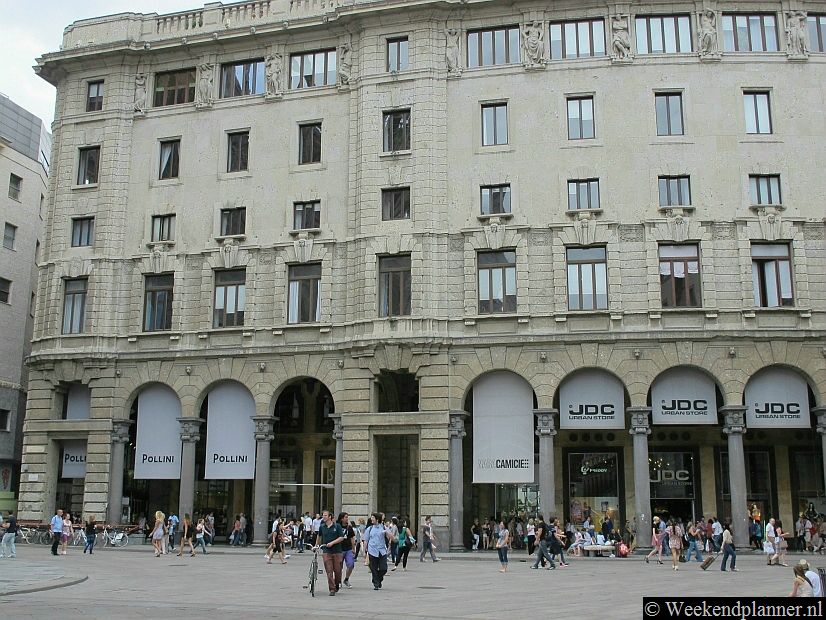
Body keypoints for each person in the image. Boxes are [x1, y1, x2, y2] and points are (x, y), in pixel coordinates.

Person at [316, 509, 345, 596]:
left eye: (325, 515)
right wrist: (316, 545)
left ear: (330, 517)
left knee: (338, 570)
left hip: (337, 551)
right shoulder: (322, 526)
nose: (323, 517)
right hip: (326, 551)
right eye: (323, 515)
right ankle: (332, 589)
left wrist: (332, 543)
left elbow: (341, 537)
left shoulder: (337, 526)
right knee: (329, 571)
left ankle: (337, 583)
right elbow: (319, 536)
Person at [364, 512, 392, 590]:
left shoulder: (383, 527)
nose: (371, 519)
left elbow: (392, 537)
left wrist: (387, 532)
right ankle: (376, 583)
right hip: (372, 550)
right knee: (373, 568)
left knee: (384, 568)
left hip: (382, 550)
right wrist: (364, 551)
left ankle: (379, 579)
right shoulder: (369, 529)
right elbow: (366, 540)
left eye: (373, 517)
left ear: (377, 519)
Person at [338, 513, 357, 587]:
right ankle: (338, 580)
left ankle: (346, 579)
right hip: (339, 549)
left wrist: (353, 549)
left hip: (348, 548)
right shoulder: (337, 526)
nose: (347, 519)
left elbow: (352, 538)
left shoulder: (349, 527)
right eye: (346, 517)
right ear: (341, 518)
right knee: (339, 567)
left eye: (347, 517)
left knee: (351, 564)